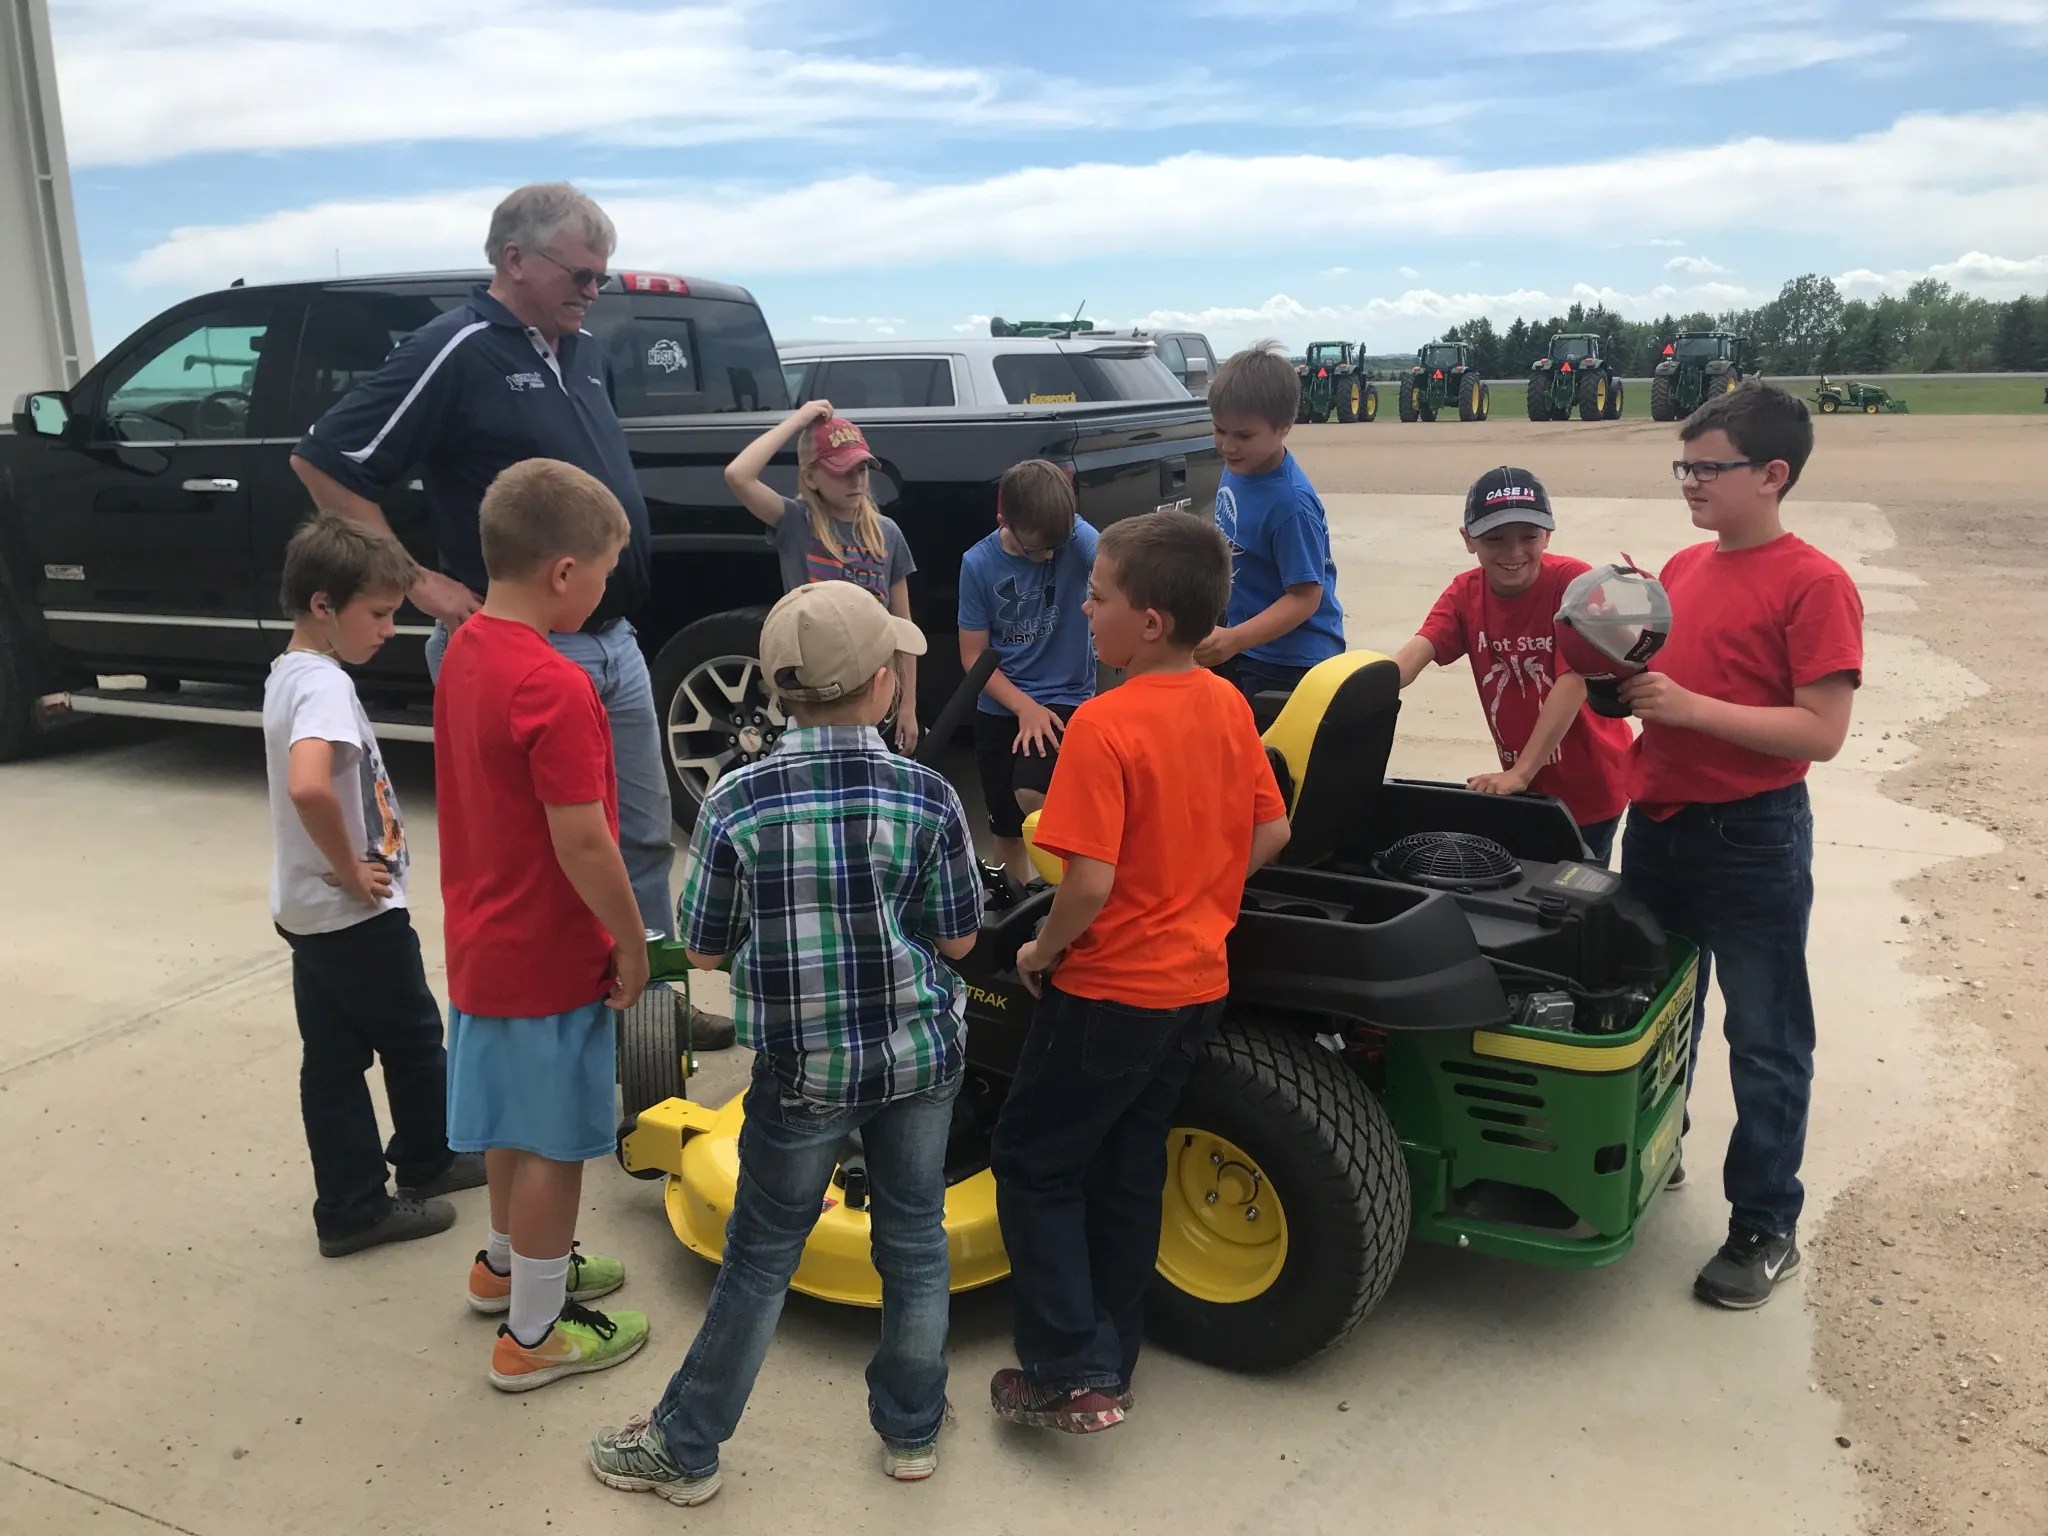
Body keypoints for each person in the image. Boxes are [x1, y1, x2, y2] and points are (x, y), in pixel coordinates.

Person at [284, 182, 724, 1042]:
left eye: (603, 276)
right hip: (524, 652)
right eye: (582, 273)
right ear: (514, 260)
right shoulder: (456, 346)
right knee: (548, 858)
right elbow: (327, 461)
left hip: (615, 643)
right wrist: (418, 581)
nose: (594, 290)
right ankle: (568, 1028)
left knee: (639, 840)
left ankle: (651, 1017)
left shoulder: (584, 351)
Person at [588, 580, 982, 1505]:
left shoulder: (736, 800)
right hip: (922, 1059)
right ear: (886, 684)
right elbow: (960, 940)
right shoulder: (926, 795)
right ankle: (912, 1432)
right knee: (915, 1240)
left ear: (776, 689)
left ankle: (687, 1449)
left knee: (762, 1256)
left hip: (805, 1070)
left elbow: (711, 946)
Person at [989, 512, 1291, 1433]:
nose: (1085, 609)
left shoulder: (1104, 725)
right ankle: (1112, 1361)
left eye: (1098, 595)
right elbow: (1271, 830)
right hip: (1197, 985)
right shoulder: (1228, 704)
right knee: (1125, 1165)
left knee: (1032, 1163)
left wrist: (1042, 952)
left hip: (1110, 990)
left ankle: (1063, 1371)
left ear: (1149, 621)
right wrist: (1197, 893)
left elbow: (1088, 880)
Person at [1619, 383, 1863, 1310]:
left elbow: (1820, 732)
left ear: (1772, 475)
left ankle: (1765, 1224)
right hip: (1662, 826)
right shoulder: (1682, 568)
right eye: (1684, 465)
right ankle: (1656, 1148)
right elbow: (1663, 682)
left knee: (1764, 1038)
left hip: (1751, 837)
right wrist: (1627, 690)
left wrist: (1686, 709)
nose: (1690, 482)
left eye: (1707, 467)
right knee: (1656, 1014)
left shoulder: (1815, 583)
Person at [434, 458, 654, 1390]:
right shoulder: (557, 686)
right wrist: (632, 939)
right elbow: (586, 842)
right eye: (604, 571)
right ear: (566, 572)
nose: (605, 589)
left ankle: (506, 1265)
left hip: (482, 940)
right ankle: (535, 1333)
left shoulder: (465, 653)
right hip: (550, 950)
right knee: (558, 1144)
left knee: (509, 1129)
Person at [263, 513, 486, 1257]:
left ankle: (351, 1203)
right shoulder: (324, 685)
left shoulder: (291, 673)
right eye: (381, 614)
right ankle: (427, 1158)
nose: (391, 630)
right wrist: (358, 871)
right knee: (416, 1037)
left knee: (331, 1060)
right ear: (324, 605)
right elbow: (310, 788)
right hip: (352, 912)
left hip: (307, 910)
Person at [1389, 467, 1633, 864]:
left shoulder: (1573, 582)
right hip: (1525, 787)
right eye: (1495, 539)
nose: (1514, 552)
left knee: (1576, 894)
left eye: (1529, 537)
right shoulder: (1465, 593)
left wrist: (1520, 772)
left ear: (1548, 535)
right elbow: (1418, 651)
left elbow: (1573, 682)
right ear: (1468, 540)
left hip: (1591, 785)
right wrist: (1357, 688)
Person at [724, 399, 921, 751]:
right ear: (810, 476)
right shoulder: (796, 522)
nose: (856, 480)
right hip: (814, 692)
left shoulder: (887, 532)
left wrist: (908, 706)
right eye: (841, 470)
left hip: (873, 693)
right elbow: (738, 475)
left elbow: (902, 625)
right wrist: (798, 420)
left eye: (862, 469)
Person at [957, 458, 1099, 877]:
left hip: (1067, 695)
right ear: (1004, 520)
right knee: (1007, 830)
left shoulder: (1073, 535)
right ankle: (1015, 914)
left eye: (1060, 543)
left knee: (1033, 795)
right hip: (1003, 706)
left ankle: (1071, 898)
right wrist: (1023, 707)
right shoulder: (978, 563)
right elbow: (972, 657)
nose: (1052, 555)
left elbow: (1119, 563)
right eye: (1039, 548)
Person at [1191, 340, 1346, 699]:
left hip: (1290, 662)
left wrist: (1233, 640)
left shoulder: (1290, 504)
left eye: (1243, 435)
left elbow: (1305, 597)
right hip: (1244, 642)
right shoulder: (1238, 469)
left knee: (1267, 753)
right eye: (1220, 430)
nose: (1228, 446)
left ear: (1284, 427)